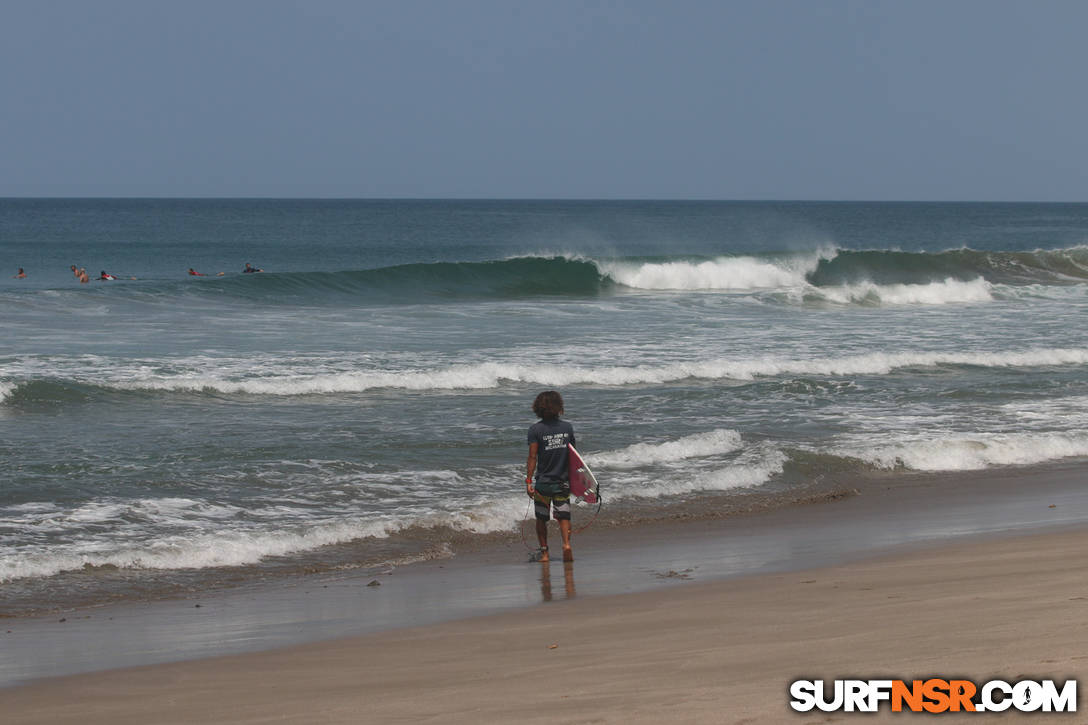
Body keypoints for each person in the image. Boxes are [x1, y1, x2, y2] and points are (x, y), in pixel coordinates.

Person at [525, 390, 576, 563]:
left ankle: (545, 553)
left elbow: (532, 457)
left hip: (543, 483)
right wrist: (576, 480)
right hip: (562, 482)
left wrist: (528, 481)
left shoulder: (535, 430)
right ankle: (566, 545)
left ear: (538, 408)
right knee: (564, 516)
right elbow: (573, 456)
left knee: (541, 518)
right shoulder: (567, 428)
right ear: (558, 406)